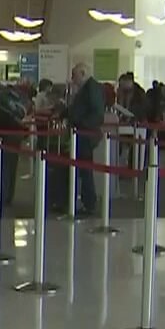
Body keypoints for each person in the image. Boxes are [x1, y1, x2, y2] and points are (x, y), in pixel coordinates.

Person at [61, 62, 105, 216]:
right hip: (82, 133)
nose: (73, 79)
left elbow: (97, 113)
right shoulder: (86, 89)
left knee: (85, 169)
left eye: (75, 75)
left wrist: (82, 125)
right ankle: (84, 202)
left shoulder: (91, 88)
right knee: (82, 168)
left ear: (83, 73)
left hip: (85, 135)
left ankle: (89, 203)